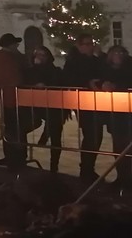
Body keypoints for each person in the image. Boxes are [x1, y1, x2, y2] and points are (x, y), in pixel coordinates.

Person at [63, 33, 106, 182]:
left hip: (98, 101)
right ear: (79, 46)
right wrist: (88, 83)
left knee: (96, 135)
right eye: (86, 44)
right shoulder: (73, 62)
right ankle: (86, 169)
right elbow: (69, 79)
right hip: (83, 102)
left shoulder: (95, 59)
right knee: (91, 135)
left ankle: (89, 167)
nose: (89, 47)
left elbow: (104, 69)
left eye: (91, 43)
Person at [0, 33, 30, 170]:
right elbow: (18, 77)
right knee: (16, 128)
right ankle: (18, 157)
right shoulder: (12, 58)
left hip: (0, 98)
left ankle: (10, 155)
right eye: (15, 44)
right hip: (14, 98)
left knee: (7, 128)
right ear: (11, 45)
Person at [26, 46, 67, 173]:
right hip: (36, 106)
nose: (39, 57)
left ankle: (54, 166)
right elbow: (26, 82)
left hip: (54, 107)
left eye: (43, 54)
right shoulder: (30, 70)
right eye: (37, 54)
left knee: (56, 136)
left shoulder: (55, 70)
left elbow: (59, 84)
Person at [99, 45, 132, 189]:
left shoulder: (129, 67)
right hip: (114, 113)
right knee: (118, 147)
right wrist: (103, 85)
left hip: (128, 112)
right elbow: (99, 80)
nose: (118, 55)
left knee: (128, 147)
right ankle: (122, 177)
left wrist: (116, 86)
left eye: (120, 52)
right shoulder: (106, 69)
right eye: (115, 52)